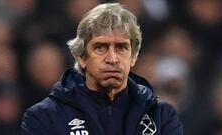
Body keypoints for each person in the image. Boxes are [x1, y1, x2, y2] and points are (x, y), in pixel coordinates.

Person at [21, 3, 183, 135]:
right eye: (100, 47)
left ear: (133, 57)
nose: (112, 59)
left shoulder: (162, 116)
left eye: (121, 48)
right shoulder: (44, 117)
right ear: (81, 57)